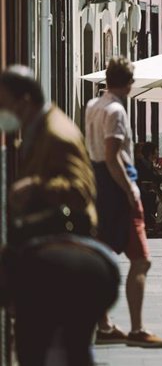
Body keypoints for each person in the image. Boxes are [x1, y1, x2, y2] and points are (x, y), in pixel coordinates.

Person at [0, 66, 120, 365]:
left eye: (3, 102)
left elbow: (82, 190)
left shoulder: (57, 132)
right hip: (48, 243)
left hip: (66, 248)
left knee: (55, 347)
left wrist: (37, 187)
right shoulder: (36, 129)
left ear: (24, 100)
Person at [85, 57, 162, 348]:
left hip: (97, 182)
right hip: (116, 185)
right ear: (129, 84)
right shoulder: (116, 110)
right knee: (141, 260)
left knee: (102, 257)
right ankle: (137, 328)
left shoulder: (93, 106)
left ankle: (103, 323)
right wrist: (130, 188)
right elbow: (113, 156)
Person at [135, 142, 162, 229]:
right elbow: (151, 176)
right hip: (143, 193)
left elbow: (152, 175)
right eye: (156, 150)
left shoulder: (146, 163)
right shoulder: (141, 163)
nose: (158, 152)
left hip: (146, 191)